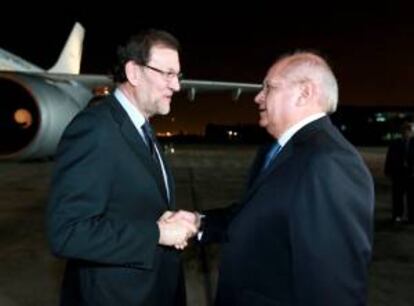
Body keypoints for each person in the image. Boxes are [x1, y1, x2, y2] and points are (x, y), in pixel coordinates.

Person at [171, 51, 375, 306]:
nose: (257, 97)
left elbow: (335, 287)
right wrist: (200, 222)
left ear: (305, 93)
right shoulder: (275, 151)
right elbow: (257, 216)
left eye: (269, 87)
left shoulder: (330, 162)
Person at [47, 29, 198, 306]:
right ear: (134, 73)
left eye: (178, 75)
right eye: (167, 73)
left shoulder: (140, 129)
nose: (176, 86)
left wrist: (165, 220)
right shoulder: (95, 129)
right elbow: (67, 232)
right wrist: (158, 233)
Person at [385, 120, 414, 224]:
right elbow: (389, 158)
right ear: (402, 132)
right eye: (406, 131)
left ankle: (411, 217)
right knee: (397, 196)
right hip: (398, 174)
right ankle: (398, 215)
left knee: (412, 197)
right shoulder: (395, 143)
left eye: (409, 131)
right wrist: (388, 171)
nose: (408, 133)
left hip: (411, 174)